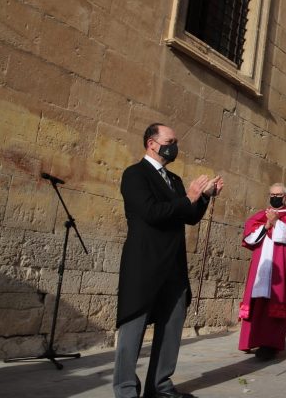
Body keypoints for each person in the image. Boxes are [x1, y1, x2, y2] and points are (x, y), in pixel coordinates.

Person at [114, 123, 223, 398]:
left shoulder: (173, 180)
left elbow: (188, 215)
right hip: (144, 263)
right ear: (151, 143)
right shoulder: (135, 175)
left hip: (173, 264)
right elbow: (151, 212)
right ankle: (126, 390)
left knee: (172, 325)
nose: (174, 145)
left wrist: (204, 198)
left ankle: (160, 386)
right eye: (169, 140)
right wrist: (188, 197)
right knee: (133, 329)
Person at [239, 183, 286, 359]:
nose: (275, 197)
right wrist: (267, 225)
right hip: (261, 265)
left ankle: (269, 344)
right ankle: (249, 340)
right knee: (256, 302)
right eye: (272, 194)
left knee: (275, 303)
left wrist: (277, 223)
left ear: (285, 197)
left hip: (280, 267)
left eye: (278, 195)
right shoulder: (261, 215)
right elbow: (249, 238)